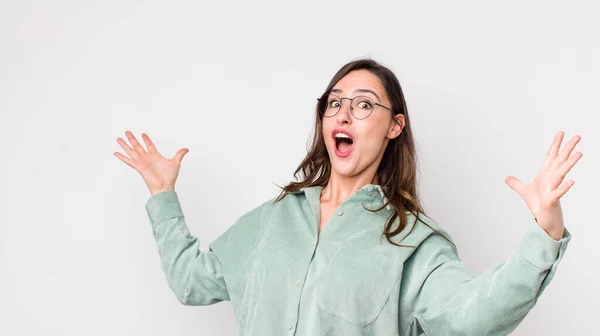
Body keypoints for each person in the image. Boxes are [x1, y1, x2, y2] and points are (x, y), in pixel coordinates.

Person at [114, 59, 581, 335]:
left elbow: (470, 317)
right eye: (334, 103)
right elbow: (192, 281)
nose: (344, 113)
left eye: (363, 105)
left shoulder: (412, 241)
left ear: (394, 126)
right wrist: (162, 194)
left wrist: (545, 233)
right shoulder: (271, 222)